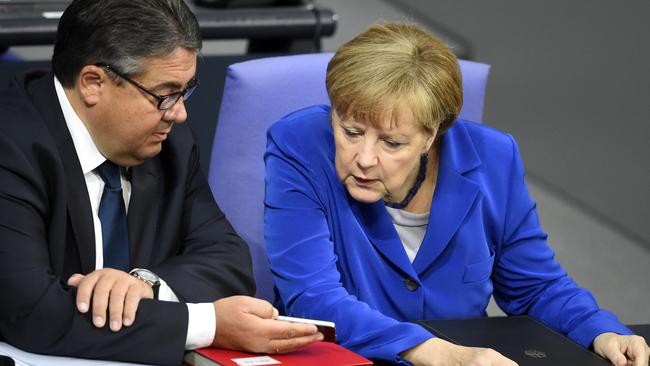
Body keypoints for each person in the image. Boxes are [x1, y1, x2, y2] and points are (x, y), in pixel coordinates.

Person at [264, 22, 649, 366]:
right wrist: (433, 352)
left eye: (392, 142)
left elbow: (535, 286)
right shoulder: (298, 144)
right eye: (350, 132)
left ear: (431, 135)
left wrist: (599, 330)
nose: (364, 159)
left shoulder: (494, 158)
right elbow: (313, 297)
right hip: (348, 357)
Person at [0, 0, 322, 365]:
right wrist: (209, 325)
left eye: (185, 91)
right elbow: (31, 310)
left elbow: (228, 260)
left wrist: (147, 285)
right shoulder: (10, 146)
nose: (180, 113)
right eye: (165, 94)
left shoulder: (169, 145)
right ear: (93, 83)